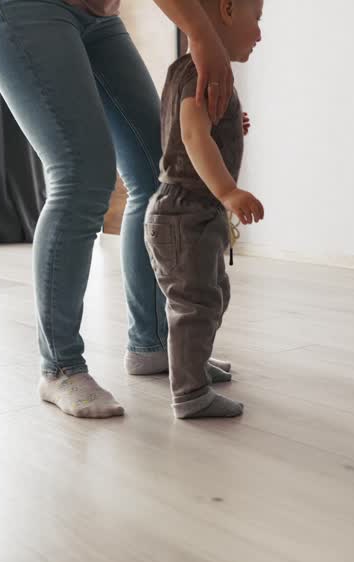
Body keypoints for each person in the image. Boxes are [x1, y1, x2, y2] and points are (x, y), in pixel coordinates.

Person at [0, 0, 236, 419]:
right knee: (80, 174)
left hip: (99, 14)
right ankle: (60, 367)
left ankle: (152, 343)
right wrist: (203, 35)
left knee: (156, 172)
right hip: (23, 8)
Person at [145, 0, 263, 419]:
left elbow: (193, 124)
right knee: (195, 304)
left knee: (212, 295)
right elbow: (194, 137)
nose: (259, 34)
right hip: (185, 212)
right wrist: (229, 191)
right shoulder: (201, 71)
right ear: (228, 9)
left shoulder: (188, 67)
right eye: (257, 20)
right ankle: (190, 394)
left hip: (192, 213)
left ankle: (194, 362)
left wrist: (231, 121)